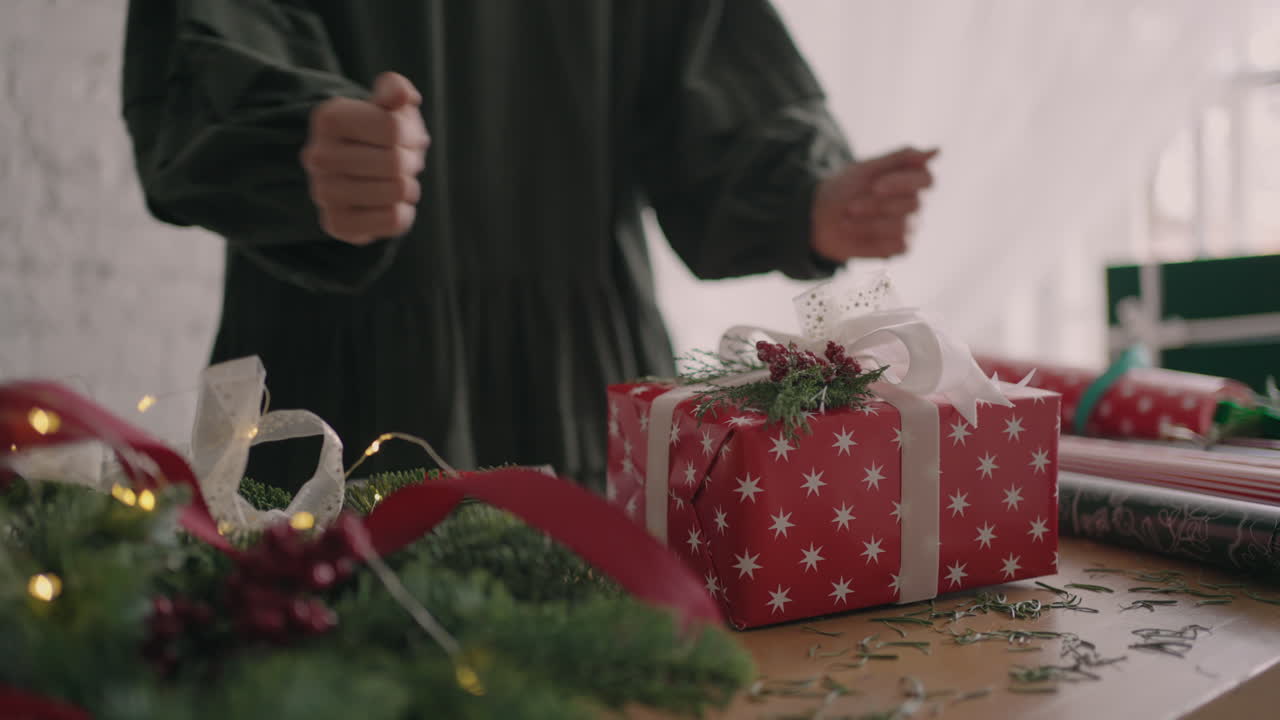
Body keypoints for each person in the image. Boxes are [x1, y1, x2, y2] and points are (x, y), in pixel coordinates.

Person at [122, 0, 935, 493]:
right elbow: (210, 45)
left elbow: (704, 52)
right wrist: (300, 144)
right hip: (344, 398)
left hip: (583, 392)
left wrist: (804, 199)